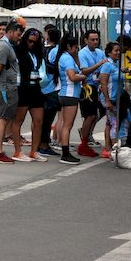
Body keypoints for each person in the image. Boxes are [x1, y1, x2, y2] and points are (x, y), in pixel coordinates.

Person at [0, 20, 22, 164]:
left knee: (4, 118)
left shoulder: (7, 45)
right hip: (5, 88)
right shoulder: (3, 46)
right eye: (18, 34)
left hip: (9, 87)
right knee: (1, 118)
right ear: (11, 31)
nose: (19, 37)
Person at [12, 28, 47, 162]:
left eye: (34, 42)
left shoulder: (37, 53)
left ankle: (34, 151)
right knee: (18, 120)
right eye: (29, 41)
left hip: (35, 87)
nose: (31, 44)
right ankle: (17, 151)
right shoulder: (18, 51)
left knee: (38, 120)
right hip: (22, 87)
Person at [54, 34, 86, 164]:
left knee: (65, 124)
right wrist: (83, 77)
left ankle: (64, 150)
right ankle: (65, 153)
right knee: (67, 125)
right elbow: (72, 77)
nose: (76, 50)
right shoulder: (67, 58)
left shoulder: (65, 57)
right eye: (75, 47)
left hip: (66, 93)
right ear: (69, 46)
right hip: (70, 94)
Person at [77, 30, 106, 158]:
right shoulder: (82, 53)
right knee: (90, 115)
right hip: (87, 87)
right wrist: (98, 64)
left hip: (97, 86)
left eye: (96, 39)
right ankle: (84, 141)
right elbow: (85, 71)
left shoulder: (100, 52)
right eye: (92, 40)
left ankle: (87, 136)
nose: (95, 42)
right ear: (86, 40)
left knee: (98, 113)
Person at [98, 41, 125, 158]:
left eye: (119, 50)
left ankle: (108, 148)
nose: (118, 52)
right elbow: (103, 84)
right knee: (114, 123)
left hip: (117, 97)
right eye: (116, 50)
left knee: (110, 123)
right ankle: (115, 149)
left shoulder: (116, 63)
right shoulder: (107, 65)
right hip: (109, 98)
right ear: (109, 52)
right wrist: (108, 101)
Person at [38, 28, 62, 157]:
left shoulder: (47, 50)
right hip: (52, 87)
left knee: (43, 119)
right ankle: (43, 144)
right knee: (48, 119)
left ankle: (40, 143)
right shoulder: (56, 50)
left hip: (45, 86)